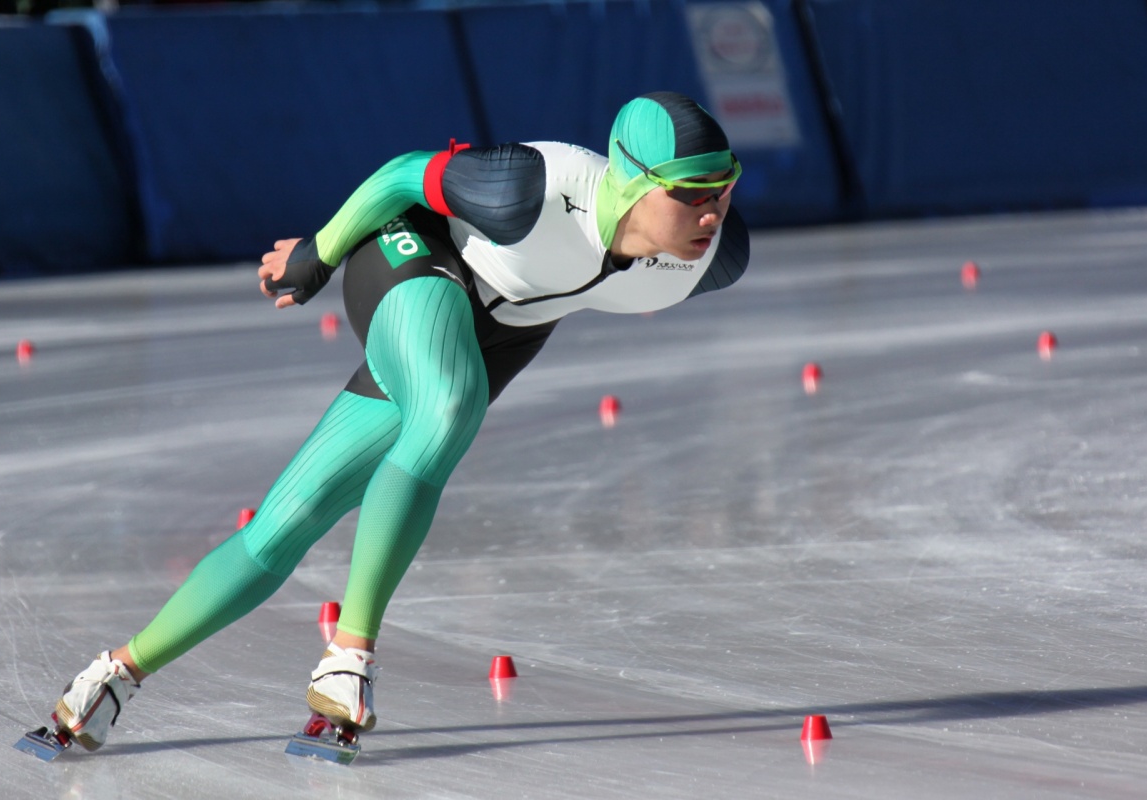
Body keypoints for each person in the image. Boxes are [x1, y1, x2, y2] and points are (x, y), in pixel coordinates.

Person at [48, 91, 750, 752]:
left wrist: (701, 208)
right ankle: (349, 653)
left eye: (724, 189)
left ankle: (112, 675)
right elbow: (401, 176)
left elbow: (694, 234)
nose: (712, 214)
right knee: (448, 403)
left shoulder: (715, 260)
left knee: (289, 519)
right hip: (411, 256)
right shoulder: (533, 186)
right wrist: (317, 255)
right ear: (629, 180)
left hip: (503, 332)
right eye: (690, 195)